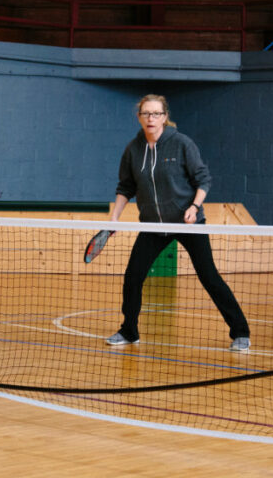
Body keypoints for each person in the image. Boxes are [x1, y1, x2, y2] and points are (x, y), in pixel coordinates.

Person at [105, 94, 252, 352]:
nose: (151, 119)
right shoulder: (132, 149)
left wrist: (194, 207)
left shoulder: (182, 143)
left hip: (188, 222)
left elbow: (203, 179)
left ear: (165, 117)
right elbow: (125, 187)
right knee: (133, 277)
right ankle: (129, 330)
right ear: (139, 117)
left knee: (209, 276)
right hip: (153, 226)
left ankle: (240, 332)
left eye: (156, 114)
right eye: (146, 114)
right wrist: (114, 217)